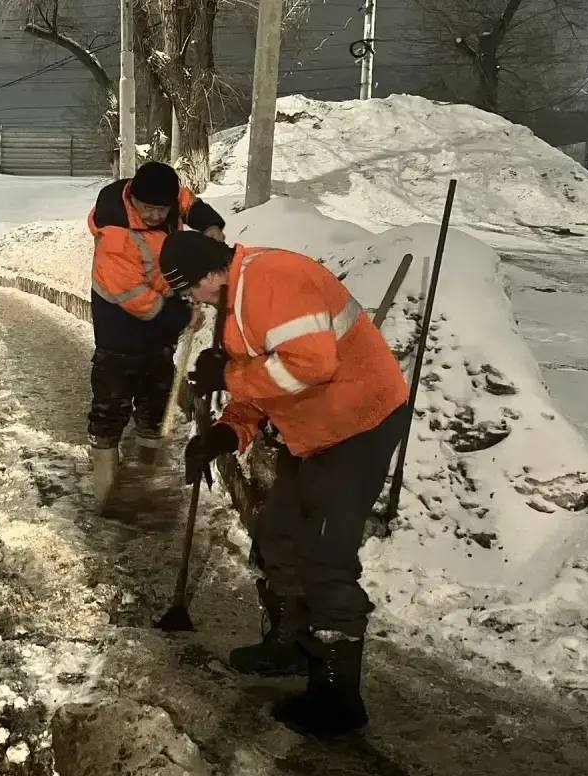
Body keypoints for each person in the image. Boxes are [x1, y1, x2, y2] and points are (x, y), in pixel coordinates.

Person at [159, 230, 409, 738]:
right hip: (313, 431)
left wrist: (228, 377)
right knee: (277, 533)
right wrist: (228, 432)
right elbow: (263, 379)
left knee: (324, 557)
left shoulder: (275, 278)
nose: (191, 301)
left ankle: (338, 700)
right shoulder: (235, 302)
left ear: (210, 275)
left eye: (189, 290)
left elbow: (312, 365)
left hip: (359, 423)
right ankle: (290, 645)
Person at [87, 162, 225, 504]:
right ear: (132, 198)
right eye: (145, 208)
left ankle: (145, 475)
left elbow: (186, 201)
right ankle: (106, 483)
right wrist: (181, 316)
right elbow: (135, 298)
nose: (152, 214)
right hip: (119, 327)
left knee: (156, 396)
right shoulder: (116, 234)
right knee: (111, 402)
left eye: (160, 209)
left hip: (158, 324)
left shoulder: (166, 199)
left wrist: (209, 223)